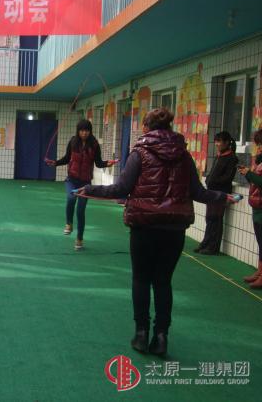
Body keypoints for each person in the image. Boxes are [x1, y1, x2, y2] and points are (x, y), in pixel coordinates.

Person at [79, 108, 237, 356]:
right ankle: (161, 336)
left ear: (146, 127)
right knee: (163, 281)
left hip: (144, 225)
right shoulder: (184, 155)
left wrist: (89, 189)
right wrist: (222, 196)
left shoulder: (139, 153)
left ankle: (141, 334)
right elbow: (198, 192)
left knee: (141, 279)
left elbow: (121, 189)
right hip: (174, 228)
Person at [46, 119, 116, 250]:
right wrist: (55, 163)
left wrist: (107, 163)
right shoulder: (73, 142)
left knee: (80, 211)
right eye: (82, 130)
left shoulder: (94, 144)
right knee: (71, 198)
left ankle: (79, 239)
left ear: (90, 131)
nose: (84, 133)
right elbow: (67, 158)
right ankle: (68, 223)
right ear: (78, 131)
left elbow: (98, 163)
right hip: (71, 180)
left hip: (85, 183)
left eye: (87, 131)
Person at [195, 131, 238, 255]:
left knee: (216, 219)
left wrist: (213, 181)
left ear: (226, 142)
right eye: (216, 141)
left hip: (222, 192)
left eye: (219, 141)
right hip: (212, 191)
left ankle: (213, 247)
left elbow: (228, 177)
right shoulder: (219, 156)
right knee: (209, 218)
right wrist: (208, 180)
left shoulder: (232, 158)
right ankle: (205, 243)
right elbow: (213, 173)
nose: (217, 144)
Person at [238, 128, 262, 289]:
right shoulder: (259, 161)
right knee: (260, 242)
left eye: (260, 144)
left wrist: (249, 173)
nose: (258, 148)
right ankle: (259, 272)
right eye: (257, 144)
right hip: (257, 205)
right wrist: (248, 173)